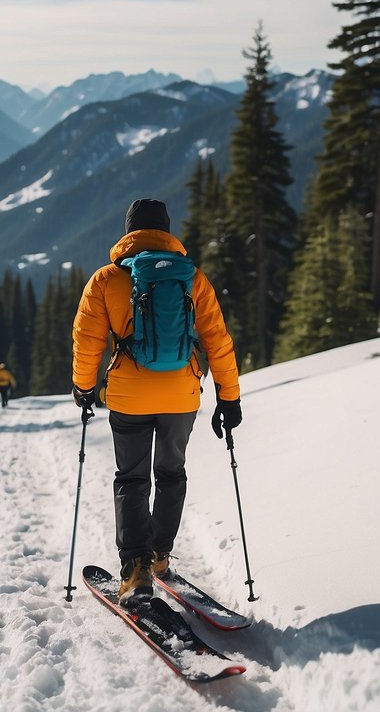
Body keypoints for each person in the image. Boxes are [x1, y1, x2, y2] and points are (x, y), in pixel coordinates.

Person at [71, 198, 241, 603]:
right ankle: (160, 555)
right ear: (166, 231)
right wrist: (229, 398)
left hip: (129, 396)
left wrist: (83, 388)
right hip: (181, 395)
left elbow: (87, 341)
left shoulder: (106, 279)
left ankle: (135, 569)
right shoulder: (191, 278)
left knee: (131, 478)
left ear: (129, 232)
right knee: (171, 473)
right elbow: (217, 339)